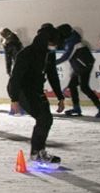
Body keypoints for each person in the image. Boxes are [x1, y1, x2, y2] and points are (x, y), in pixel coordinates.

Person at [9, 25, 65, 163]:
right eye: (52, 44)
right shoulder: (26, 54)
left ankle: (39, 152)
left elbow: (53, 76)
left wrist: (60, 96)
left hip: (37, 90)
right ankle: (37, 153)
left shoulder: (49, 55)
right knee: (43, 118)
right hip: (23, 91)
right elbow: (15, 78)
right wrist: (14, 99)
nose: (54, 46)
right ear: (44, 41)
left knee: (47, 120)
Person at [54, 24, 100, 118]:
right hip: (81, 66)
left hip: (82, 66)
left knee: (84, 87)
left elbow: (67, 56)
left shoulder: (72, 42)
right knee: (73, 86)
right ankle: (77, 108)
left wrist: (53, 63)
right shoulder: (71, 39)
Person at [0, 28, 25, 116]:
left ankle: (17, 109)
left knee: (13, 88)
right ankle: (19, 108)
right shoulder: (17, 41)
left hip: (17, 68)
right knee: (19, 88)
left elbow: (8, 60)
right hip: (23, 66)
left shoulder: (9, 44)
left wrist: (9, 71)